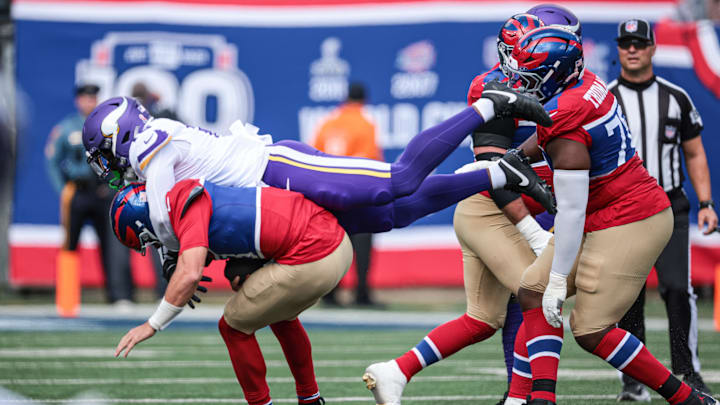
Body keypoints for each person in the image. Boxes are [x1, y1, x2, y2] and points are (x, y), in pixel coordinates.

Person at [109, 148, 552, 405]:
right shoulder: (193, 189)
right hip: (323, 242)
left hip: (314, 249)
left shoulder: (186, 199)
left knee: (234, 324)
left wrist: (153, 322)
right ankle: (310, 399)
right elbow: (237, 238)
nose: (155, 245)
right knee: (272, 307)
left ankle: (491, 161)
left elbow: (188, 271)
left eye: (147, 238)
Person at [361, 10, 567, 405]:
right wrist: (533, 232)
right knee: (539, 294)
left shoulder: (565, 88)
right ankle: (526, 398)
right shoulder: (494, 86)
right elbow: (493, 170)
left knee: (483, 319)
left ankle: (396, 371)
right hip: (491, 207)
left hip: (510, 207)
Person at [504, 26, 718, 405]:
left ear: (553, 72)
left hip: (631, 216)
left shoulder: (567, 124)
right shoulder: (582, 81)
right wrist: (518, 157)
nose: (521, 81)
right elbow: (551, 130)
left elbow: (570, 209)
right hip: (604, 207)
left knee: (590, 328)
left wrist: (558, 278)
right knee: (532, 291)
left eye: (530, 72)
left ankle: (687, 398)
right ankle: (530, 399)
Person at [81, 84, 554, 254]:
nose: (109, 167)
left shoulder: (152, 142)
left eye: (105, 153)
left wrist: (170, 250)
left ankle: (491, 107)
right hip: (275, 199)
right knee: (393, 215)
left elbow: (165, 217)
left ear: (122, 134)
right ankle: (498, 174)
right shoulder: (154, 161)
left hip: (278, 169)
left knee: (400, 181)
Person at [608, 18, 717, 400]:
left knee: (676, 289)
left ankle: (687, 372)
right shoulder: (606, 101)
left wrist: (705, 203)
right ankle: (634, 378)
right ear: (619, 49)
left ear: (653, 48)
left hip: (669, 204)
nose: (633, 49)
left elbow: (694, 153)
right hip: (623, 210)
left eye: (640, 43)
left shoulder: (676, 98)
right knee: (627, 294)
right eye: (626, 44)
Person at [45, 84, 134, 307]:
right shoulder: (67, 128)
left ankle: (118, 295)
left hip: (102, 191)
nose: (89, 102)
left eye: (93, 98)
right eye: (85, 98)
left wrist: (113, 185)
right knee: (69, 243)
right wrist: (63, 189)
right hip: (78, 191)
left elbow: (120, 158)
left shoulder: (109, 127)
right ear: (78, 101)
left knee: (111, 243)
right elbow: (53, 161)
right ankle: (66, 298)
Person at [312, 82, 382, 307]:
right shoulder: (365, 123)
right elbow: (370, 161)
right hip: (356, 190)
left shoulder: (328, 122)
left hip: (329, 191)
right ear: (364, 100)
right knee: (361, 242)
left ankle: (329, 293)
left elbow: (316, 155)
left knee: (333, 243)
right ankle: (361, 293)